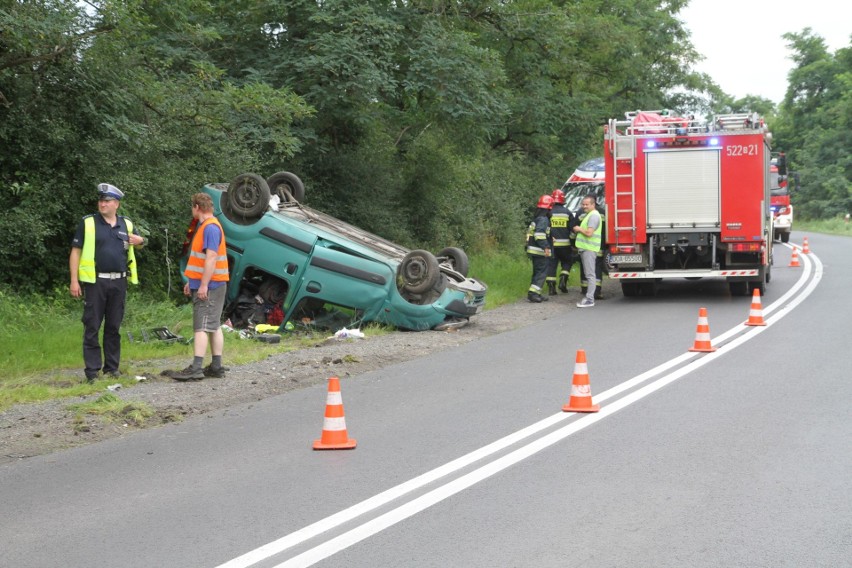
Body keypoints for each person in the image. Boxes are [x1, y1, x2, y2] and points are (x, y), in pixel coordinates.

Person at [69, 183, 146, 382]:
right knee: (92, 326)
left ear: (116, 204)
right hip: (96, 282)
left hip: (119, 282)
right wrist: (74, 280)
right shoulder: (88, 223)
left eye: (107, 201)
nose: (102, 204)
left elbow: (138, 242)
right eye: (101, 200)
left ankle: (112, 368)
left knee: (113, 326)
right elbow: (75, 252)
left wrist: (141, 241)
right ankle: (92, 372)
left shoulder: (126, 223)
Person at [169, 193, 229, 380]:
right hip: (212, 283)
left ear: (197, 207)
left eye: (191, 207)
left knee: (201, 327)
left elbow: (211, 257)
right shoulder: (208, 226)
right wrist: (191, 282)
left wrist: (202, 285)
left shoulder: (210, 228)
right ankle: (216, 366)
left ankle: (196, 368)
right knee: (213, 325)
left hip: (210, 285)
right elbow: (201, 260)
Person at [572, 195, 602, 308]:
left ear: (593, 205)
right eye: (583, 204)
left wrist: (578, 229)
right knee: (589, 274)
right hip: (586, 248)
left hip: (589, 249)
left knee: (590, 275)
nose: (584, 206)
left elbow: (589, 233)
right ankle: (589, 298)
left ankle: (590, 299)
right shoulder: (589, 215)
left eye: (586, 204)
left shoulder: (593, 216)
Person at [546, 189, 577, 294]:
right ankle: (563, 280)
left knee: (551, 265)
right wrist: (573, 244)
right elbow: (573, 231)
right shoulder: (567, 212)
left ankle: (551, 289)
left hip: (552, 245)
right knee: (567, 262)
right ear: (563, 199)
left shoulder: (548, 212)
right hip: (565, 246)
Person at [526, 194, 553, 303]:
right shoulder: (543, 219)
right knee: (541, 272)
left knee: (537, 272)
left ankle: (536, 292)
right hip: (539, 251)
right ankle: (533, 294)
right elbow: (539, 234)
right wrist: (546, 247)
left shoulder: (537, 218)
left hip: (533, 250)